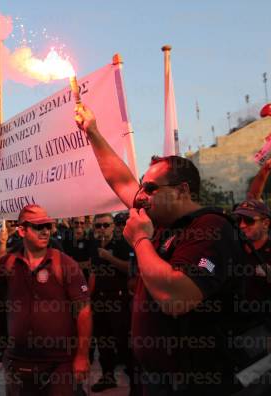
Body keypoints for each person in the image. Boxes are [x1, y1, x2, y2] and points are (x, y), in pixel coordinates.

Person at [76, 103, 247, 394]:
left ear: (182, 190)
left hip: (192, 382)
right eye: (142, 186)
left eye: (151, 188)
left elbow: (176, 297)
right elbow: (120, 179)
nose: (141, 196)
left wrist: (141, 240)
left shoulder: (211, 228)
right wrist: (92, 132)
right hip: (155, 377)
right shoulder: (162, 220)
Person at [0, 204, 92, 395]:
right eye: (38, 227)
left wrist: (82, 356)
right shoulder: (9, 262)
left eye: (47, 226)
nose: (45, 231)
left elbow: (83, 311)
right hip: (19, 363)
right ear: (22, 230)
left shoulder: (64, 263)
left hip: (59, 363)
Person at [88, 213, 132, 392]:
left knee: (122, 341)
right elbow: (93, 271)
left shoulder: (122, 243)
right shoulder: (93, 244)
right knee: (103, 340)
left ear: (113, 226)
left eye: (106, 225)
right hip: (99, 299)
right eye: (98, 226)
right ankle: (107, 377)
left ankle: (136, 383)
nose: (102, 229)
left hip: (118, 299)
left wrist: (109, 257)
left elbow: (131, 268)